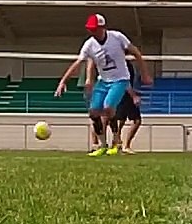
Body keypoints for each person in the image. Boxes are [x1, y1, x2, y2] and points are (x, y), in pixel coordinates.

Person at [55, 14, 151, 157]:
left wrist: (144, 73)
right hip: (103, 80)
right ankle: (102, 144)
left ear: (102, 27)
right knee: (93, 112)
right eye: (90, 29)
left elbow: (136, 52)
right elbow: (79, 62)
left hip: (120, 79)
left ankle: (116, 141)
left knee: (108, 107)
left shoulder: (117, 37)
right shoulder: (89, 44)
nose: (92, 32)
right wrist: (63, 81)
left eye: (95, 29)